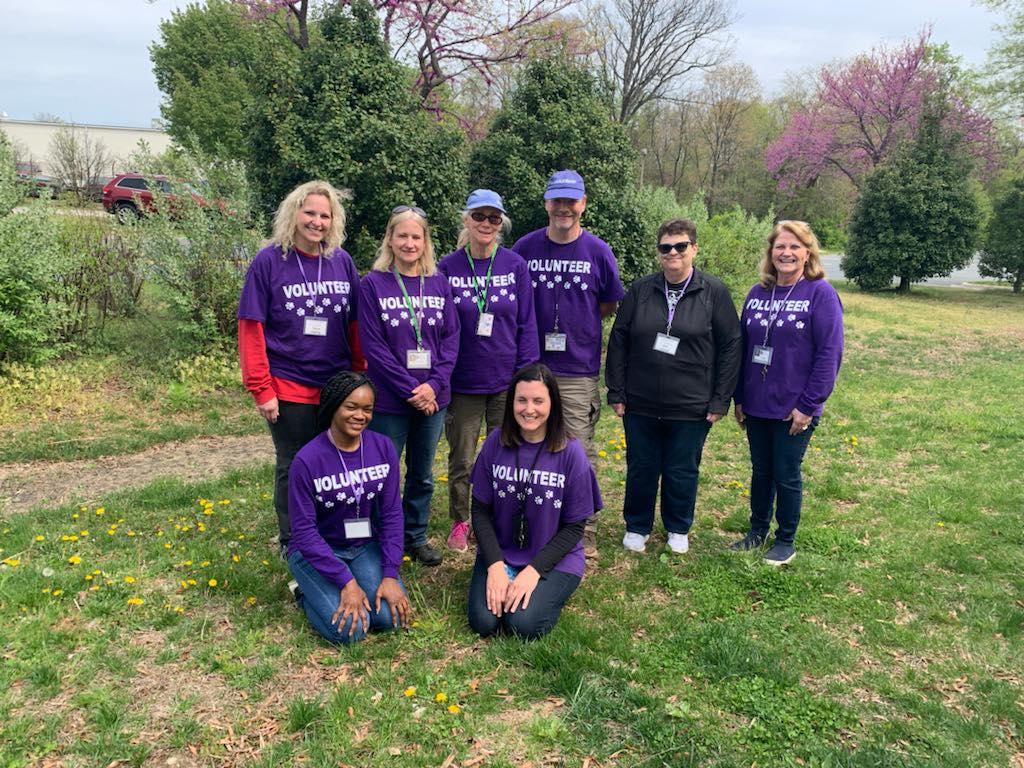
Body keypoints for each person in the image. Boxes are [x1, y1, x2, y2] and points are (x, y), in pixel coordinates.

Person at [237, 180, 362, 555]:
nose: (317, 221)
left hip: (336, 386)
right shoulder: (270, 261)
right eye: (310, 212)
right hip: (288, 384)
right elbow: (251, 326)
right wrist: (261, 387)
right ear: (293, 213)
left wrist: (358, 377)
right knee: (294, 464)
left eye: (325, 215)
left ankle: (328, 529)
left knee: (336, 460)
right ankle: (293, 539)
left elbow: (355, 324)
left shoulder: (341, 261)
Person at [606, 218, 741, 554]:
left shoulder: (714, 291)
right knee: (641, 466)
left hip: (691, 402)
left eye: (681, 246)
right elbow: (619, 339)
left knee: (682, 468)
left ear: (694, 248)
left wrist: (720, 399)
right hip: (640, 400)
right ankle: (637, 525)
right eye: (665, 247)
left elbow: (731, 345)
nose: (673, 253)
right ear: (659, 253)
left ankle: (678, 526)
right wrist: (617, 390)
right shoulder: (641, 289)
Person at [512, 170, 624, 558]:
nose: (564, 208)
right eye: (557, 201)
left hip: (577, 369)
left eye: (571, 201)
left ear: (583, 204)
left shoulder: (598, 251)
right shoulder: (524, 248)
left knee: (577, 450)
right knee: (527, 446)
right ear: (546, 204)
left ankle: (583, 530)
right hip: (530, 368)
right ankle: (530, 519)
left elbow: (608, 303)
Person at [732, 220, 844, 565]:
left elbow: (830, 352)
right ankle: (757, 531)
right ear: (771, 253)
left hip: (794, 407)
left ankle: (785, 540)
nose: (787, 253)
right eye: (780, 246)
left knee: (786, 472)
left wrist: (809, 405)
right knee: (761, 471)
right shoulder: (757, 293)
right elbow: (742, 347)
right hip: (756, 403)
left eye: (795, 246)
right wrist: (739, 397)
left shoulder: (820, 293)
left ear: (807, 252)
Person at [438, 190, 539, 552]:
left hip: (506, 382)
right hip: (463, 381)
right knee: (463, 457)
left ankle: (499, 517)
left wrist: (527, 378)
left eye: (493, 218)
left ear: (501, 224)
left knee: (507, 455)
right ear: (466, 219)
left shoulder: (515, 266)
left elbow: (527, 323)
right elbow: (437, 325)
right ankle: (461, 521)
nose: (486, 224)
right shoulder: (447, 267)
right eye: (479, 216)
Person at [467, 363, 600, 639]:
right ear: (511, 403)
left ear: (553, 403)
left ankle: (544, 590)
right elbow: (480, 511)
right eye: (522, 400)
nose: (529, 409)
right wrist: (494, 565)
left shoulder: (571, 452)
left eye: (538, 400)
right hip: (501, 553)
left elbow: (575, 528)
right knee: (484, 622)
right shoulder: (495, 442)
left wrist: (533, 571)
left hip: (554, 558)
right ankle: (506, 579)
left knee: (522, 625)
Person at [359, 206, 459, 566]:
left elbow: (451, 339)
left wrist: (433, 385)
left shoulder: (439, 282)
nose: (409, 243)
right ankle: (379, 537)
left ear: (425, 241)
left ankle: (414, 536)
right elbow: (374, 347)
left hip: (434, 398)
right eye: (402, 235)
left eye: (416, 236)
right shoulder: (372, 284)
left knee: (423, 473)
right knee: (382, 471)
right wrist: (410, 389)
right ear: (390, 239)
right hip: (390, 399)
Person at [287, 371, 410, 643]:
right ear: (333, 407)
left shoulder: (383, 448)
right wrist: (347, 582)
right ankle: (304, 592)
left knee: (391, 618)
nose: (360, 416)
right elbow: (304, 532)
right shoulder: (307, 460)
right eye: (351, 407)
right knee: (350, 631)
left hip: (364, 545)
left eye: (367, 409)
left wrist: (390, 573)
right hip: (316, 550)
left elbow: (391, 514)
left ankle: (346, 581)